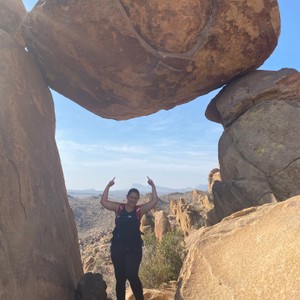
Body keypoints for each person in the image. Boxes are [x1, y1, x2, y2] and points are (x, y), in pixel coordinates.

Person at [100, 176, 158, 300]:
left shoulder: (139, 210)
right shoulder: (119, 208)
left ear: (138, 199)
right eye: (131, 197)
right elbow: (103, 201)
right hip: (118, 247)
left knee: (132, 275)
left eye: (135, 198)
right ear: (127, 197)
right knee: (120, 278)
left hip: (134, 248)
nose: (133, 200)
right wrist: (108, 186)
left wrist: (153, 186)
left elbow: (153, 202)